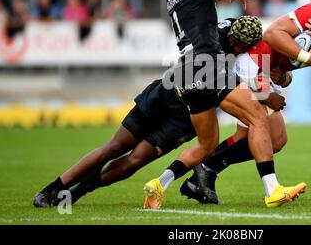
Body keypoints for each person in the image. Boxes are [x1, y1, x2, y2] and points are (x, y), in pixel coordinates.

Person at [32, 14, 263, 208]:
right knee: (114, 147)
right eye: (235, 42)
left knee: (135, 160)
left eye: (243, 46)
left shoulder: (245, 47)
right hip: (167, 94)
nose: (238, 48)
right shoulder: (213, 38)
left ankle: (78, 191)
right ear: (231, 32)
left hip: (189, 117)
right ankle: (51, 189)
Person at [143, 0, 305, 210]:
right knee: (258, 117)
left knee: (208, 143)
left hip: (186, 70)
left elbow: (196, 3)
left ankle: (159, 183)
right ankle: (273, 189)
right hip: (206, 64)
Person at [181, 0, 311, 204]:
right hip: (253, 62)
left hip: (266, 71)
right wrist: (307, 57)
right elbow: (271, 34)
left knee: (249, 137)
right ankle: (271, 189)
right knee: (273, 133)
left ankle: (201, 175)